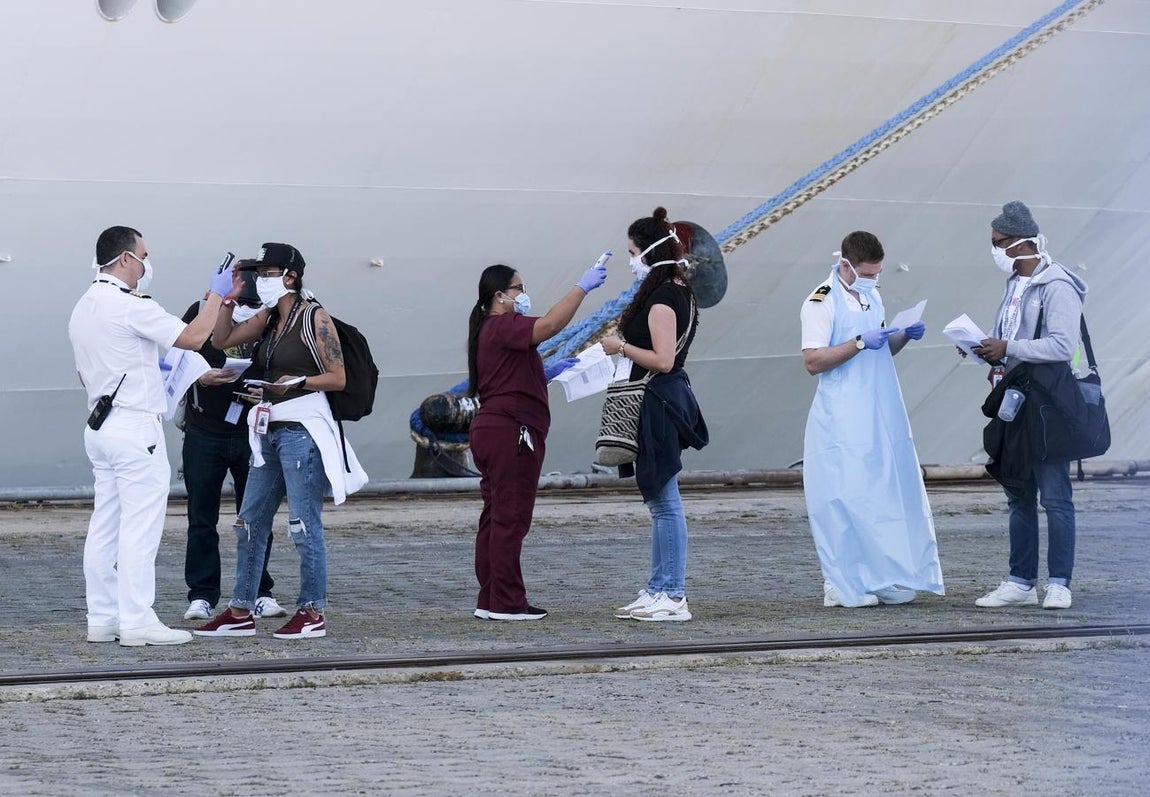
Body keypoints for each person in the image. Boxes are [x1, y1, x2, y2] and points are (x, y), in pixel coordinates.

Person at [194, 243, 367, 640]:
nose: (261, 280)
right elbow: (221, 341)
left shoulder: (314, 316)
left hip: (302, 432)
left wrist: (296, 384)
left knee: (304, 524)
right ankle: (240, 609)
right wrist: (227, 300)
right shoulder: (270, 318)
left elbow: (337, 377)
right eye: (259, 273)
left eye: (268, 273)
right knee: (249, 522)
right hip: (269, 431)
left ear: (291, 276)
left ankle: (312, 610)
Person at [68, 225, 232, 646]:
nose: (147, 263)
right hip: (135, 428)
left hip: (100, 426)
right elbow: (195, 338)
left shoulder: (84, 306)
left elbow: (90, 370)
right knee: (140, 528)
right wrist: (215, 296)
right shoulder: (130, 305)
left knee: (105, 525)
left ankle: (102, 618)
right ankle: (138, 621)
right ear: (125, 259)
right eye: (144, 254)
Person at [798, 230, 944, 608]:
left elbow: (880, 350)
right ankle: (841, 580)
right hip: (841, 411)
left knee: (878, 493)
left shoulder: (871, 296)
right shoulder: (821, 301)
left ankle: (879, 573)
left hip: (877, 408)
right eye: (868, 272)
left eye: (877, 273)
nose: (874, 279)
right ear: (846, 264)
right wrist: (860, 342)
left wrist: (902, 336)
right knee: (844, 495)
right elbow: (813, 361)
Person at [466, 256, 607, 621]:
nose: (524, 295)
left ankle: (491, 597)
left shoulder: (488, 330)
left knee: (496, 514)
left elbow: (504, 377)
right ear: (500, 295)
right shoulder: (503, 324)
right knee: (511, 517)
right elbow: (550, 325)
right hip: (512, 430)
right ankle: (508, 602)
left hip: (493, 428)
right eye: (519, 289)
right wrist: (582, 287)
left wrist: (544, 373)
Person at [972, 201, 1086, 610]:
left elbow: (1061, 345)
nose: (994, 250)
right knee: (1018, 492)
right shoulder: (1014, 285)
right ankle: (1020, 581)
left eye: (998, 243)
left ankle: (1059, 582)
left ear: (1020, 243)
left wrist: (1009, 347)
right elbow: (1009, 335)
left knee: (1055, 495)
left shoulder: (1057, 286)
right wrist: (983, 347)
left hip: (1047, 405)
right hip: (1015, 400)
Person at [601, 207, 709, 622]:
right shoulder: (677, 290)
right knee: (660, 499)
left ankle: (674, 594)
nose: (630, 259)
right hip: (662, 397)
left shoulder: (665, 297)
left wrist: (620, 347)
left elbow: (663, 359)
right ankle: (658, 587)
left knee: (665, 501)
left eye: (632, 252)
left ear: (647, 253)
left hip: (658, 399)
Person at [180, 264, 286, 623]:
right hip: (203, 431)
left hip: (252, 432)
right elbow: (176, 356)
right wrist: (201, 375)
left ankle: (259, 590)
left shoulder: (269, 319)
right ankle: (202, 594)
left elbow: (281, 365)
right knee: (201, 517)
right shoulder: (201, 313)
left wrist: (267, 390)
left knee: (256, 517)